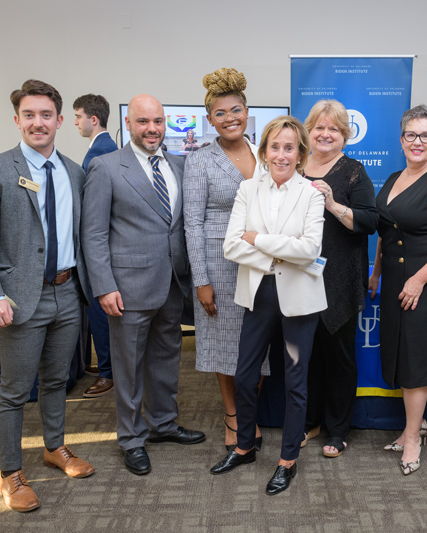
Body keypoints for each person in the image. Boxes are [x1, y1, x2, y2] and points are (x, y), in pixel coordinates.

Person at [0, 79, 94, 512]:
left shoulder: (74, 172)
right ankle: (10, 473)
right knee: (15, 390)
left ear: (59, 120)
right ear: (17, 120)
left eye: (46, 115)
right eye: (29, 115)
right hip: (18, 298)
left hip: (67, 293)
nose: (37, 123)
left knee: (58, 381)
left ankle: (54, 448)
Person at [82, 93, 205, 477]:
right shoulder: (106, 168)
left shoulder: (180, 165)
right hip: (127, 285)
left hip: (172, 281)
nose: (152, 129)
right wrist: (104, 285)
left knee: (167, 357)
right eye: (143, 122)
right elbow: (93, 234)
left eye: (158, 122)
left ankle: (164, 425)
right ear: (129, 125)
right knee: (129, 366)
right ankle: (131, 438)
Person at [210, 116, 326, 496]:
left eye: (289, 147)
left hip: (300, 300)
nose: (281, 154)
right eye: (275, 146)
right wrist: (280, 251)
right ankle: (244, 446)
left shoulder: (310, 194)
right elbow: (230, 245)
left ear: (300, 153)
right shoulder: (248, 190)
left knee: (295, 382)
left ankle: (287, 460)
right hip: (259, 294)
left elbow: (310, 250)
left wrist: (258, 238)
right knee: (245, 375)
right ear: (265, 151)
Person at [369, 105, 427, 475]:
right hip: (393, 280)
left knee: (416, 363)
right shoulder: (394, 177)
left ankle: (411, 438)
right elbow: (386, 231)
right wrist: (377, 272)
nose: (418, 142)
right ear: (401, 138)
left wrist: (420, 278)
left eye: (426, 136)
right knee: (400, 356)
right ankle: (415, 426)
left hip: (424, 284)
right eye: (411, 134)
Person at [183, 67, 267, 451]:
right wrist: (201, 279)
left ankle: (251, 411)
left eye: (236, 110)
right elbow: (192, 224)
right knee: (224, 344)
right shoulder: (200, 160)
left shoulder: (265, 153)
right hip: (218, 264)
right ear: (209, 120)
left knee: (259, 342)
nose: (229, 118)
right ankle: (233, 417)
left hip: (264, 262)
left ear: (247, 111)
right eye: (220, 113)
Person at [301, 99, 378, 457]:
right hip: (297, 276)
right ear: (309, 131)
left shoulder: (353, 172)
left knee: (339, 357)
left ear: (345, 135)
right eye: (319, 127)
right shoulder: (295, 165)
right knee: (305, 354)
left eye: (333, 128)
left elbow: (369, 221)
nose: (325, 134)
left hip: (339, 277)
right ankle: (311, 420)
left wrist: (333, 204)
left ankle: (338, 429)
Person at [72, 93, 119, 399]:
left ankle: (108, 372)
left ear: (93, 118)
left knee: (102, 313)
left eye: (77, 117)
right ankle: (104, 364)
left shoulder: (101, 152)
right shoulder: (100, 149)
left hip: (102, 247)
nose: (74, 122)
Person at [73, 94, 119, 173]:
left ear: (94, 120)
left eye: (79, 117)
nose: (75, 122)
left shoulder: (98, 151)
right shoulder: (107, 145)